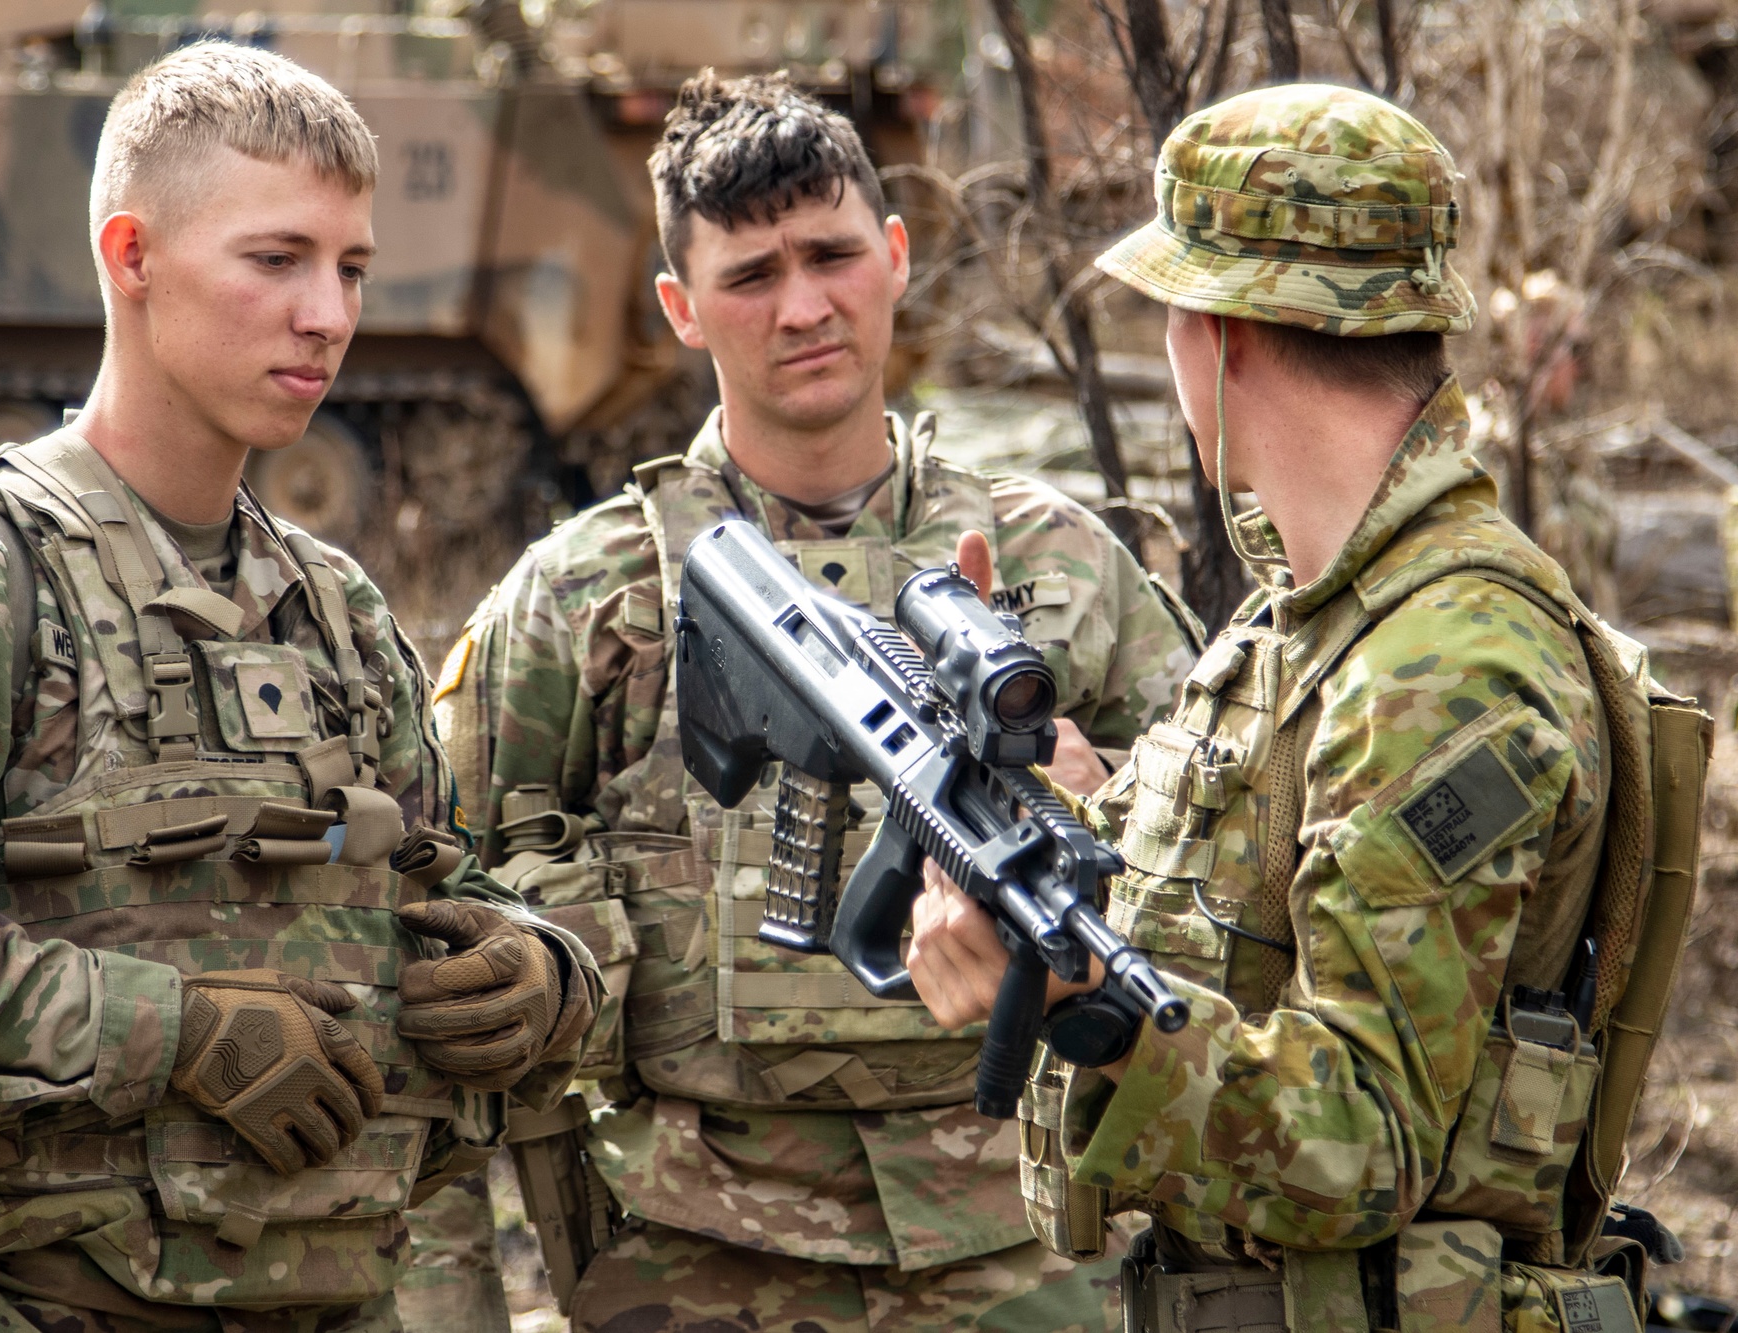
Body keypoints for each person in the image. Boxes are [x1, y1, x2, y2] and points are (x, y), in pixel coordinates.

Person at [0, 42, 595, 1333]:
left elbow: (434, 886)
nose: (329, 314)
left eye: (352, 268)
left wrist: (536, 969)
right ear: (131, 255)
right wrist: (171, 1032)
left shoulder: (335, 608)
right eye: (278, 259)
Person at [905, 84, 1684, 1333]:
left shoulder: (1440, 666)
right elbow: (1243, 926)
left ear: (1222, 336)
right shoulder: (1314, 619)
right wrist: (1030, 804)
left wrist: (1087, 1006)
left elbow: (1362, 1141)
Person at [429, 71, 1200, 1333]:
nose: (803, 307)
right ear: (680, 308)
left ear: (895, 255)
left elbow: (1223, 892)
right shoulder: (584, 598)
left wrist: (1106, 801)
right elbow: (436, 927)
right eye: (750, 276)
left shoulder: (1064, 563)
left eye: (832, 256)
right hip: (696, 1253)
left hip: (1024, 1248)